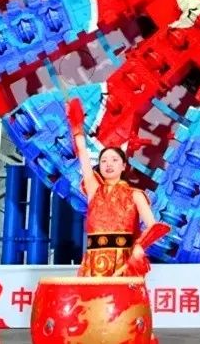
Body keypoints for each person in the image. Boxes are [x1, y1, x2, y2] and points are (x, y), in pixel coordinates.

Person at [68, 98, 163, 276]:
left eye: (114, 160)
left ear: (123, 166)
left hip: (124, 263)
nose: (108, 164)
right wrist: (77, 127)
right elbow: (82, 154)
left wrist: (139, 248)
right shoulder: (94, 190)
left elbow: (153, 226)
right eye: (104, 161)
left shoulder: (135, 195)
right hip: (93, 264)